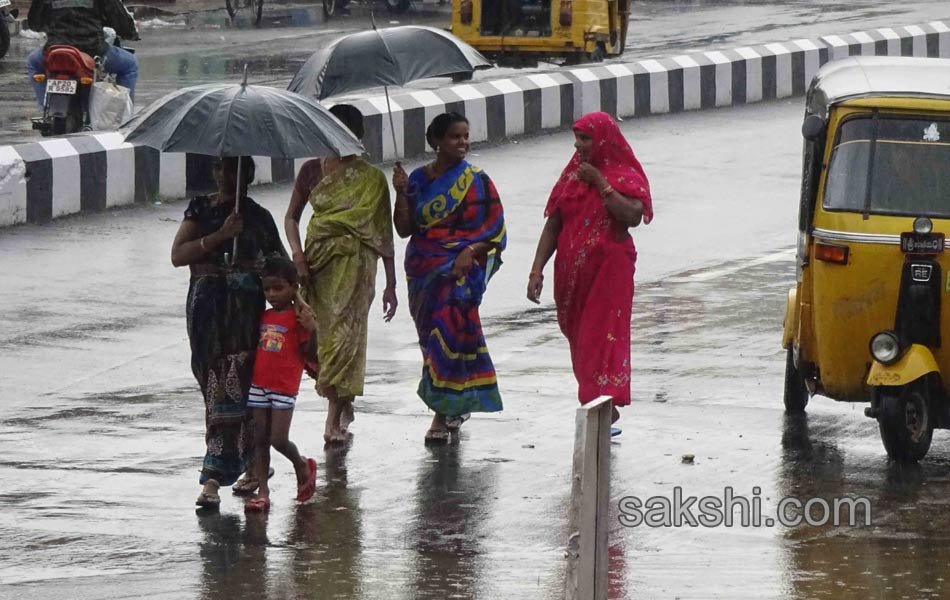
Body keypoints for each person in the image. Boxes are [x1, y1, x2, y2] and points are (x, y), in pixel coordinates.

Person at [170, 156, 287, 509]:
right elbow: (178, 255)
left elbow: (281, 266)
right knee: (215, 388)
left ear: (248, 175)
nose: (226, 175)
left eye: (235, 168)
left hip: (245, 315)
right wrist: (220, 236)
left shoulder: (260, 218)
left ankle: (216, 477)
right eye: (221, 167)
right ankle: (233, 467)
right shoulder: (200, 210)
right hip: (208, 313)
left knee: (242, 390)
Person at [526, 111, 653, 435]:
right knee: (581, 342)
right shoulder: (571, 178)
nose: (578, 144)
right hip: (572, 279)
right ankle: (599, 404)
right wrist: (536, 270)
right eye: (577, 138)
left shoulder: (623, 174)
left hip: (609, 276)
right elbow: (554, 223)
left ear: (603, 140)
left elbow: (633, 216)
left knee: (601, 339)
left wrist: (601, 183)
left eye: (585, 138)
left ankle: (601, 407)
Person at [392, 112, 507, 444]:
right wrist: (400, 193)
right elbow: (404, 230)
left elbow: (495, 229)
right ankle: (454, 401)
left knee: (450, 335)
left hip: (458, 273)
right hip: (422, 270)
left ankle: (442, 414)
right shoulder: (416, 179)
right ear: (437, 142)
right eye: (456, 137)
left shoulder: (477, 180)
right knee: (430, 342)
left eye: (466, 136)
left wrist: (471, 249)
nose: (463, 143)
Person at [285, 104, 397, 445]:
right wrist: (297, 255)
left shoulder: (372, 179)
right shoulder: (310, 171)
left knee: (345, 340)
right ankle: (343, 400)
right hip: (317, 266)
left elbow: (382, 234)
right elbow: (291, 218)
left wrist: (392, 285)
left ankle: (332, 418)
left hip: (357, 269)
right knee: (320, 339)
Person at [244, 256, 319, 513]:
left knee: (278, 439)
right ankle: (263, 492)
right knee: (260, 439)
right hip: (259, 384)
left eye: (279, 288)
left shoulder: (299, 319)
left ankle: (300, 463)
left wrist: (313, 331)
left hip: (284, 387)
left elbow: (311, 355)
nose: (272, 294)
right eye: (268, 289)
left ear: (293, 287)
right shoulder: (262, 316)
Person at [26, 0, 139, 107]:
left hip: (56, 50)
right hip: (93, 51)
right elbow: (121, 21)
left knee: (33, 62)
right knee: (130, 64)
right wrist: (131, 33)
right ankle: (124, 114)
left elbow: (34, 23)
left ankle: (45, 105)